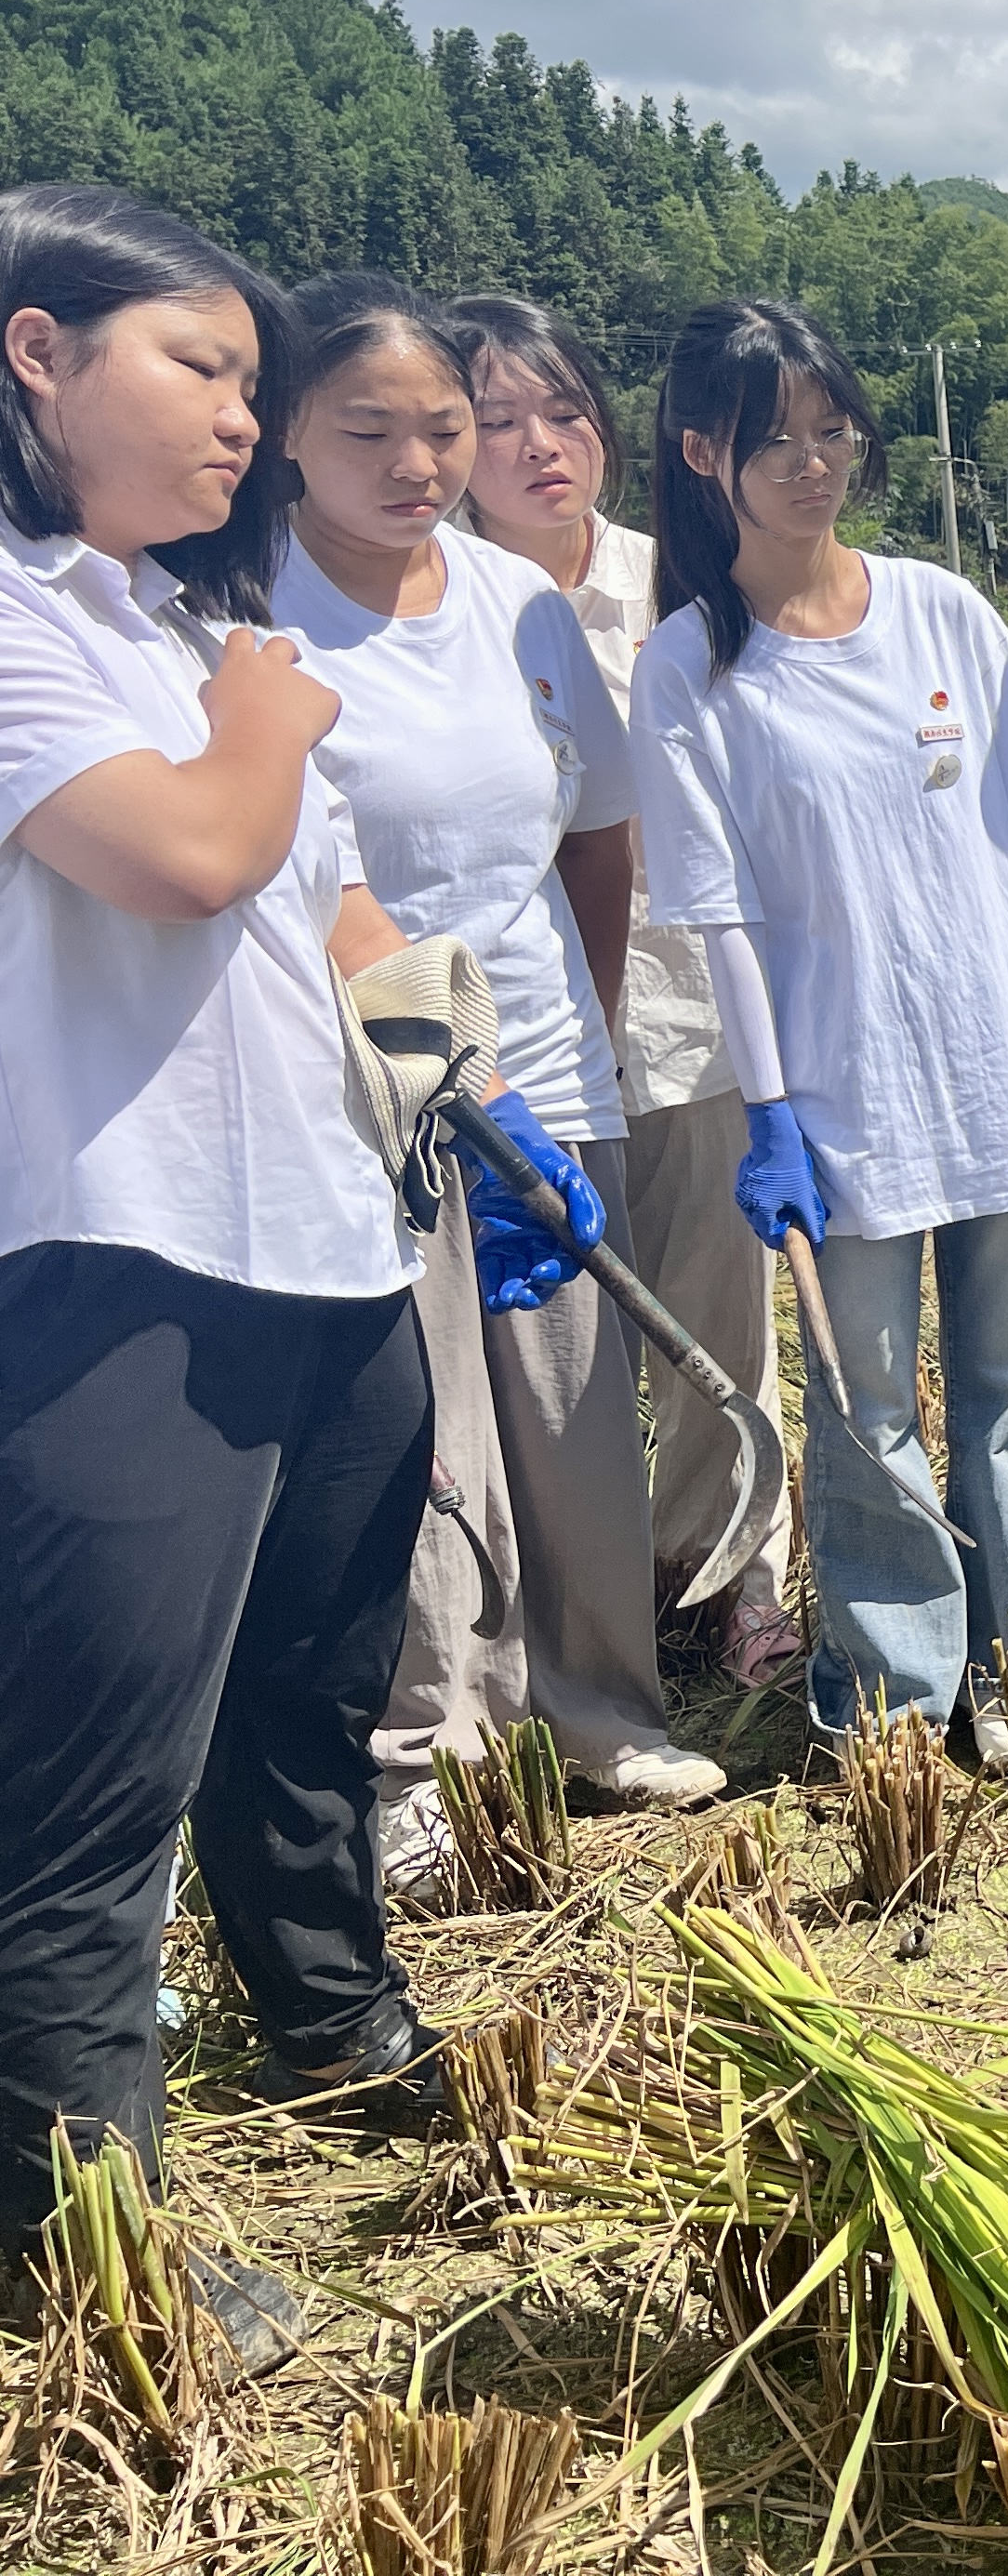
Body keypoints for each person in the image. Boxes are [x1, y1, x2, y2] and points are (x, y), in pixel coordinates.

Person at [0, 185, 572, 2328]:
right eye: (202, 369)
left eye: (254, 380)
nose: (242, 418)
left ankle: (333, 2025)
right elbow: (187, 854)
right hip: (125, 1271)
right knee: (92, 1784)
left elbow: (323, 915)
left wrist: (472, 1094)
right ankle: (87, 2254)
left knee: (309, 1704)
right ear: (38, 355)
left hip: (332, 1243)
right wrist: (277, 708)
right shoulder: (41, 625)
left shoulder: (180, 632)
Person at [627, 299, 1008, 1767]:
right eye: (769, 438)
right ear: (701, 453)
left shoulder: (946, 612)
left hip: (997, 1066)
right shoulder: (689, 666)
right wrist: (771, 1113)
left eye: (829, 428)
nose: (809, 464)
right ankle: (903, 1696)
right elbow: (718, 915)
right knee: (867, 1417)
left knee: (1006, 1393)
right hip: (838, 1091)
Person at [270, 273, 725, 1869]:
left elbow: (593, 840)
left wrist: (569, 1047)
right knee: (427, 1417)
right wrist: (454, 1066)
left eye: (438, 429)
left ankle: (609, 1706)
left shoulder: (509, 599)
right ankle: (430, 1751)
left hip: (541, 1058)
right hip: (368, 1082)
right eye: (368, 430)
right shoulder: (255, 612)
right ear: (287, 440)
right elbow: (315, 876)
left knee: (577, 1401)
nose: (415, 461)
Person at [452, 291, 800, 1689]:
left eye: (566, 411)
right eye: (497, 422)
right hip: (520, 1046)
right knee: (548, 1359)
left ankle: (736, 1583)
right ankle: (559, 1618)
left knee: (724, 1322)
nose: (542, 445)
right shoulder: (438, 604)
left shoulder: (689, 587)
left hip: (691, 1018)